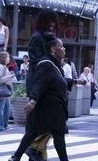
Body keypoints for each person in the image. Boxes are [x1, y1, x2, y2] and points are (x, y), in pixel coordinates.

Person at [9, 37, 69, 161]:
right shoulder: (46, 64)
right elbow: (40, 83)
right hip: (47, 109)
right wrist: (33, 100)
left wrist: (75, 81)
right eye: (61, 46)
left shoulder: (56, 66)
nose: (64, 49)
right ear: (53, 49)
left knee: (52, 136)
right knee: (34, 133)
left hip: (54, 111)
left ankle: (16, 157)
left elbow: (56, 82)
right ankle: (16, 157)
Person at [24, 9, 59, 160]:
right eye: (49, 21)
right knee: (40, 123)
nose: (51, 24)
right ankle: (32, 151)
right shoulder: (37, 38)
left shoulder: (48, 39)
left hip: (46, 85)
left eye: (54, 21)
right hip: (38, 84)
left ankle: (35, 152)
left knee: (46, 123)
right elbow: (38, 63)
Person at [0, 51, 15, 131]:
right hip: (3, 91)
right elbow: (0, 80)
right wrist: (10, 76)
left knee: (6, 108)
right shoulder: (1, 67)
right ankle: (0, 126)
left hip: (5, 91)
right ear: (4, 58)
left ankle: (4, 125)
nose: (9, 59)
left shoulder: (3, 67)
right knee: (1, 109)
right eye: (8, 57)